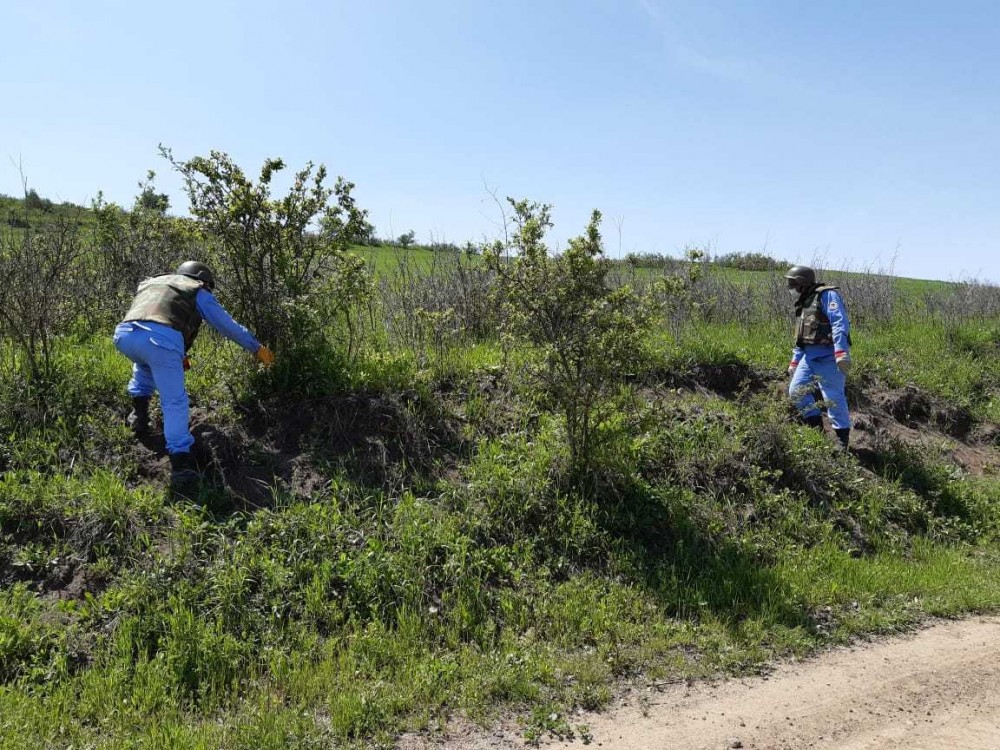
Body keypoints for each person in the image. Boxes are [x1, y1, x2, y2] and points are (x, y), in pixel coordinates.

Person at [112, 261, 274, 487]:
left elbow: (151, 321)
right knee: (174, 401)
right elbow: (227, 325)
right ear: (203, 281)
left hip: (124, 336)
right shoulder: (197, 290)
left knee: (146, 364)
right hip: (160, 341)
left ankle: (138, 417)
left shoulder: (154, 282)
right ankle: (181, 464)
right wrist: (257, 348)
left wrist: (171, 352)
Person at [784, 265, 852, 448]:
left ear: (802, 283)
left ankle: (841, 440)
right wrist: (795, 361)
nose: (789, 288)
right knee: (796, 391)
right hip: (808, 357)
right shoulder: (805, 302)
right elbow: (802, 336)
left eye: (792, 283)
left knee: (833, 397)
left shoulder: (827, 295)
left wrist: (841, 351)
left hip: (829, 356)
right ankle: (816, 430)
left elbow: (839, 322)